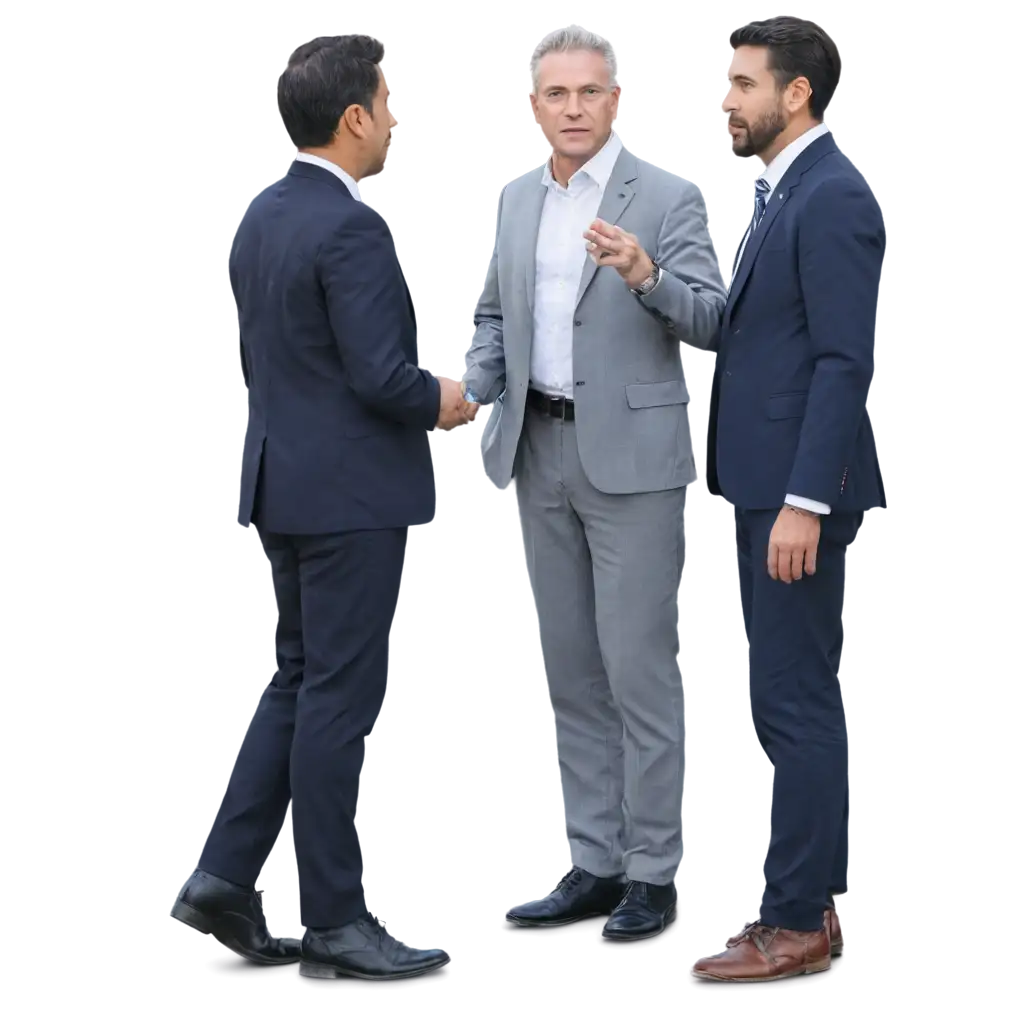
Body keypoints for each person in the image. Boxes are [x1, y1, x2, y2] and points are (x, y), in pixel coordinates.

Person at [167, 34, 476, 981]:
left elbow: (260, 357)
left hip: (282, 483)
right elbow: (384, 379)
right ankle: (338, 920)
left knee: (296, 685)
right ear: (353, 118)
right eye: (388, 103)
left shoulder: (258, 212)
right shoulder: (348, 226)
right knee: (337, 701)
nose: (394, 119)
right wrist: (450, 398)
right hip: (350, 497)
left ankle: (219, 877)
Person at [461, 25, 726, 941]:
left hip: (634, 469)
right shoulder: (517, 198)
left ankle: (653, 873)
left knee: (639, 675)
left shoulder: (669, 195)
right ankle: (592, 862)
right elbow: (494, 315)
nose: (573, 109)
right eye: (556, 95)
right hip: (540, 453)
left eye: (589, 92)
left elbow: (708, 321)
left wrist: (645, 272)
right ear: (535, 107)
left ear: (616, 101)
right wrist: (475, 389)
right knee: (571, 673)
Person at [688, 20, 885, 983]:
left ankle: (794, 923)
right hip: (765, 489)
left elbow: (845, 362)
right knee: (796, 702)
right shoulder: (784, 193)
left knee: (790, 702)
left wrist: (805, 499)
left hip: (795, 499)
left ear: (794, 94)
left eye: (739, 83)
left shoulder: (832, 194)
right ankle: (821, 903)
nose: (724, 100)